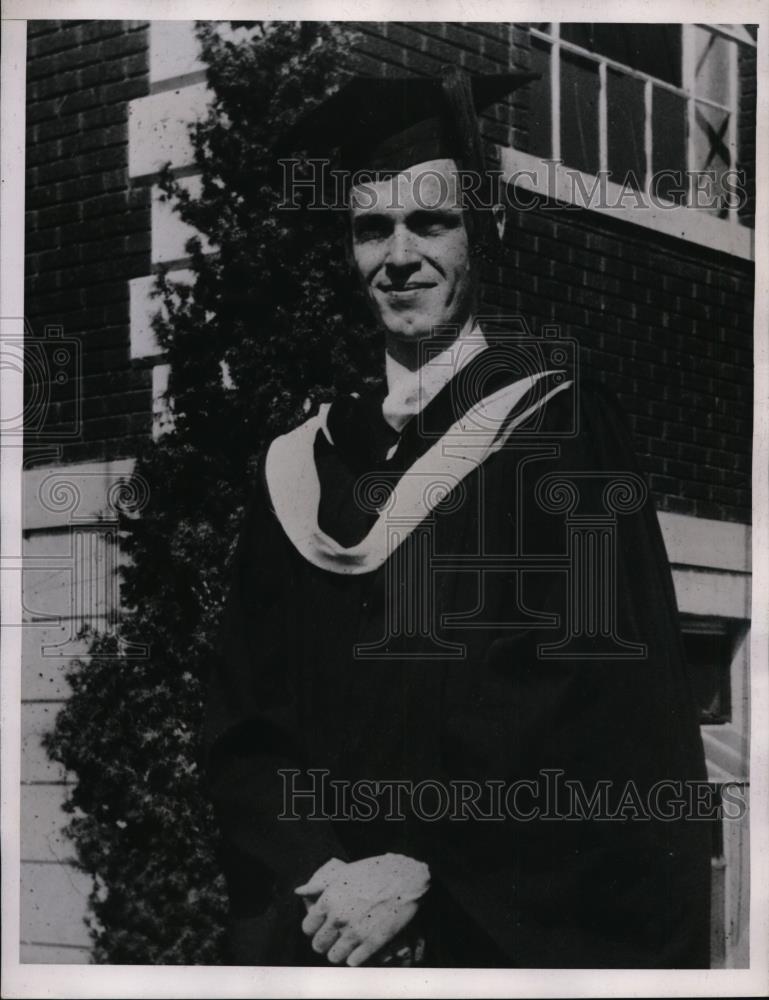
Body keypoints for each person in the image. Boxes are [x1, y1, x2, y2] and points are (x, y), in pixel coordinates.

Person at [203, 68, 711, 968]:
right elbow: (248, 728)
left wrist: (422, 873)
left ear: (486, 229)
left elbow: (603, 714)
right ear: (345, 252)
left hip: (495, 938)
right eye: (371, 229)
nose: (399, 256)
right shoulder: (299, 467)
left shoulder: (561, 428)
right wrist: (324, 873)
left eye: (430, 222)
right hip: (326, 936)